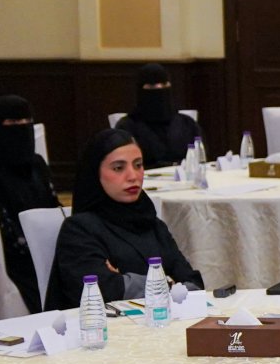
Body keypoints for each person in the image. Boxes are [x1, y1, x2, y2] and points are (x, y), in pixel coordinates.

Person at [45, 128, 201, 309]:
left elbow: (194, 284)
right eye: (118, 168)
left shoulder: (152, 223)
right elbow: (102, 291)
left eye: (138, 165)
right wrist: (169, 284)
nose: (133, 176)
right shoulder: (79, 230)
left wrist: (125, 280)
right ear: (95, 173)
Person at [0, 94, 58, 313]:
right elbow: (1, 229)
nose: (22, 128)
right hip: (17, 260)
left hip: (48, 246)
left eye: (27, 122)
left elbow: (53, 207)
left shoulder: (37, 164)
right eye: (13, 123)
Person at [123, 63, 200, 169]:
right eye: (152, 86)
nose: (159, 89)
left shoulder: (187, 123)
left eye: (164, 85)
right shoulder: (127, 127)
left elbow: (200, 157)